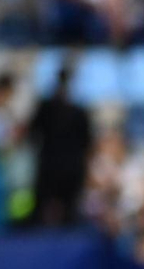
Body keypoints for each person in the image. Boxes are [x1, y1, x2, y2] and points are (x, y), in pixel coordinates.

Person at [26, 64, 94, 227]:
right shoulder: (49, 107)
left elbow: (33, 133)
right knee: (49, 205)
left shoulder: (71, 110)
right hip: (56, 163)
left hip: (59, 163)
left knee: (66, 207)